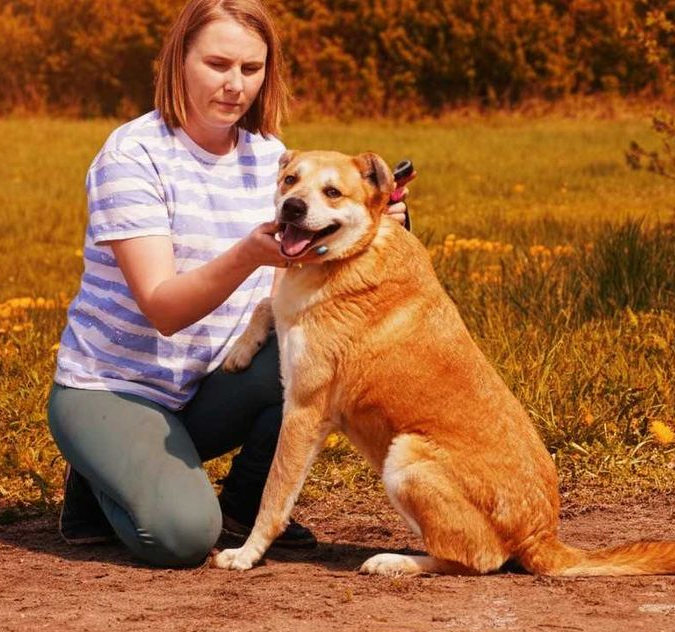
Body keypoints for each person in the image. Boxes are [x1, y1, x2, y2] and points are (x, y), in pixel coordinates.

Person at [46, 0, 408, 568]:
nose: (235, 85)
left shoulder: (268, 155)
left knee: (315, 352)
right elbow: (163, 308)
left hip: (212, 383)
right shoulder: (133, 156)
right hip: (115, 388)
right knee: (183, 536)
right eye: (217, 64)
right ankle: (96, 478)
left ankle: (245, 506)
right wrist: (246, 255)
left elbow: (317, 226)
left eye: (251, 68)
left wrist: (371, 221)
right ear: (178, 61)